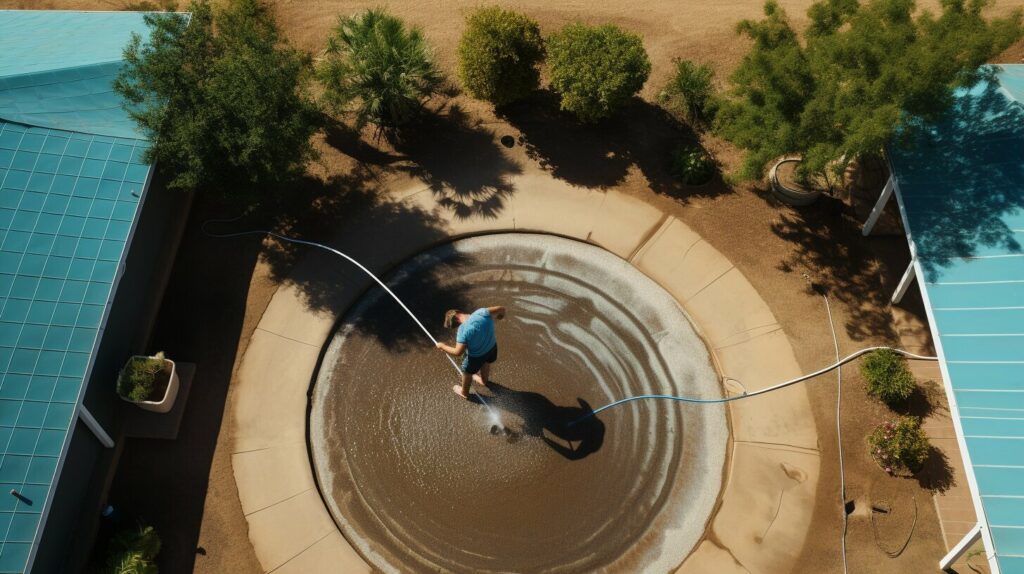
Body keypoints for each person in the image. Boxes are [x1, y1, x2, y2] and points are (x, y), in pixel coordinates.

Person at [436, 306, 505, 399]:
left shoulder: (462, 330)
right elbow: (501, 309)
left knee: (467, 371)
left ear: (456, 319)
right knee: (486, 361)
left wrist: (442, 346)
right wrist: (500, 316)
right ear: (459, 311)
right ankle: (483, 381)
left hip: (477, 356)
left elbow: (458, 352)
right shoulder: (481, 312)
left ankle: (464, 393)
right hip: (492, 348)